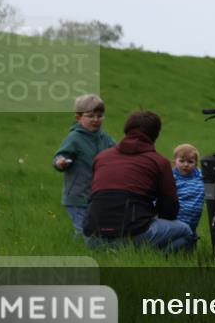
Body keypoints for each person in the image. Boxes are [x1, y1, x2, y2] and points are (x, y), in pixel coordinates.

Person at [83, 110, 193, 252]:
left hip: (93, 237)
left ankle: (131, 254)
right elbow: (169, 210)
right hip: (133, 233)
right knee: (185, 232)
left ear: (127, 130)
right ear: (155, 134)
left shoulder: (101, 157)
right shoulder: (159, 162)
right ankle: (153, 258)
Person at [53, 94, 116, 237]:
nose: (96, 120)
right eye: (90, 116)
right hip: (77, 195)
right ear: (78, 117)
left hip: (97, 195)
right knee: (83, 230)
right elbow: (60, 156)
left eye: (99, 116)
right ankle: (79, 248)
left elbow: (117, 151)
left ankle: (91, 246)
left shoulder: (104, 137)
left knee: (96, 229)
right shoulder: (74, 138)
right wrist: (60, 162)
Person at [172, 143, 204, 248]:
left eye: (190, 162)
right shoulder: (171, 178)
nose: (186, 165)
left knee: (190, 242)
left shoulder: (201, 177)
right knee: (177, 241)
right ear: (174, 162)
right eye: (182, 161)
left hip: (193, 220)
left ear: (196, 164)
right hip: (177, 219)